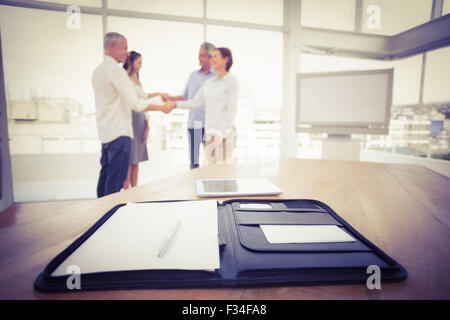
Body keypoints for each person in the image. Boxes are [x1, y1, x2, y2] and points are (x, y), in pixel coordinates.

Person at [92, 32, 174, 198]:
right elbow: (136, 103)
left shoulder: (98, 71)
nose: (127, 53)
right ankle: (109, 216)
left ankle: (99, 213)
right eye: (125, 48)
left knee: (106, 177)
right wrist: (161, 108)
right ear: (112, 47)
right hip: (120, 133)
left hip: (106, 133)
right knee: (116, 182)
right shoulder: (115, 70)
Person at [173, 47, 239, 164]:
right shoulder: (209, 83)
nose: (212, 59)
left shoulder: (232, 81)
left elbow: (231, 111)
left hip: (225, 134)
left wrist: (221, 133)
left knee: (223, 173)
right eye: (212, 56)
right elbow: (195, 102)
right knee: (211, 172)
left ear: (225, 60)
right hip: (211, 133)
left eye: (215, 57)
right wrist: (174, 104)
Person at [163, 42, 216, 169]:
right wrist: (170, 98)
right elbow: (186, 97)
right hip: (194, 124)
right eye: (199, 55)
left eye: (202, 55)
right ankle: (195, 187)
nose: (199, 58)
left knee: (213, 163)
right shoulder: (193, 75)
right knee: (194, 163)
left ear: (210, 57)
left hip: (211, 125)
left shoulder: (216, 77)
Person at [122, 51, 165, 189]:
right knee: (128, 160)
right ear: (131, 62)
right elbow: (136, 102)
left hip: (140, 120)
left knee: (136, 160)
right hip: (130, 120)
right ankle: (126, 191)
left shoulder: (136, 79)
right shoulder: (125, 79)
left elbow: (144, 99)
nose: (140, 66)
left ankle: (134, 190)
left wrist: (147, 125)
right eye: (139, 62)